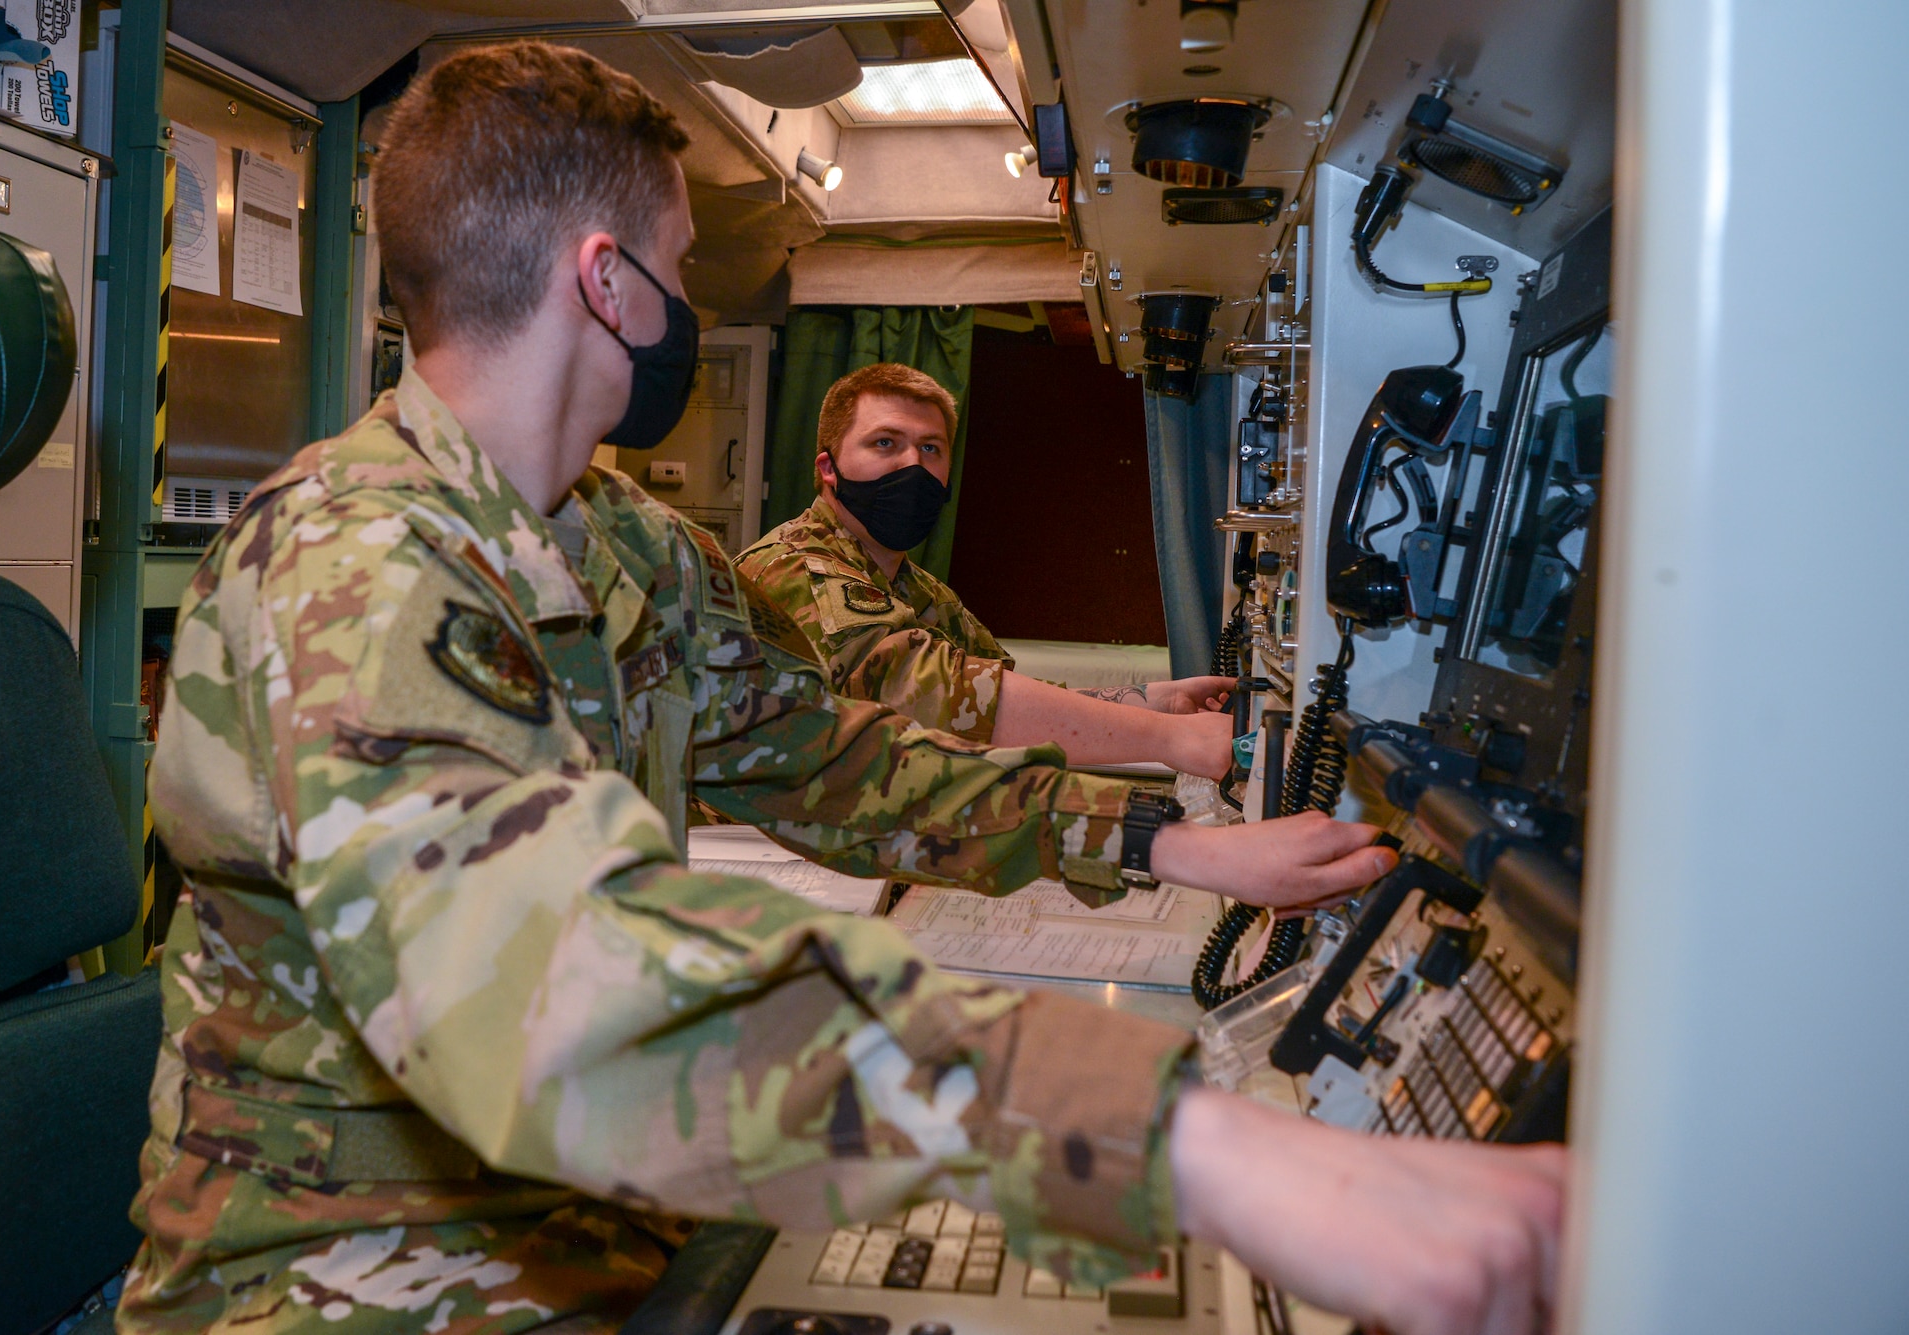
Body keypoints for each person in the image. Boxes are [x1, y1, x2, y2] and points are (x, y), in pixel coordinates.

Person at [117, 42, 1565, 1335]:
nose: (687, 306)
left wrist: (1161, 835)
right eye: (681, 270)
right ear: (609, 281)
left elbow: (830, 756)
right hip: (344, 1278)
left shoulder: (628, 544)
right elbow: (559, 984)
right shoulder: (352, 562)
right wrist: (1192, 1143)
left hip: (594, 1222)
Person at [737, 365, 1242, 780]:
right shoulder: (794, 566)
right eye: (886, 443)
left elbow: (1005, 701)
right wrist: (1168, 739)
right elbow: (938, 695)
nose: (912, 465)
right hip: (748, 842)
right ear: (829, 468)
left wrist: (1159, 702)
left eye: (930, 448)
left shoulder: (916, 589)